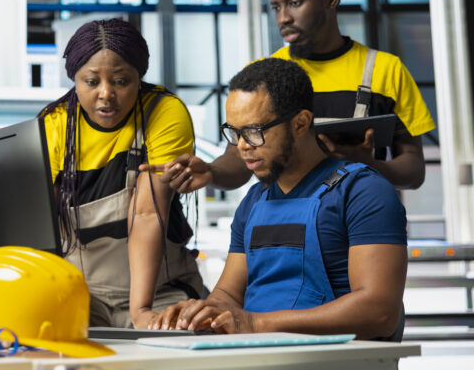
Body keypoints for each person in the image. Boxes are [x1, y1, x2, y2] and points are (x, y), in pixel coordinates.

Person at [148, 58, 408, 340]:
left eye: (254, 131)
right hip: (262, 355)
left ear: (300, 123)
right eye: (234, 133)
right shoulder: (254, 201)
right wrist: (198, 312)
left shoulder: (362, 192)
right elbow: (229, 294)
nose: (243, 146)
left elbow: (379, 313)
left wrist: (255, 324)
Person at [151, 0, 435, 192]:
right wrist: (212, 173)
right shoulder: (263, 76)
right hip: (287, 224)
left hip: (360, 221)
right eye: (276, 7)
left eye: (295, 3)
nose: (283, 18)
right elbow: (239, 159)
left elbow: (414, 170)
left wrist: (369, 164)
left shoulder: (386, 70)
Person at [39, 18, 204, 329]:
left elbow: (146, 215)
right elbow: (39, 227)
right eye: (91, 82)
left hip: (161, 293)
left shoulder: (163, 112)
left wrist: (140, 311)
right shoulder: (55, 124)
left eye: (121, 80)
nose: (106, 94)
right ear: (74, 78)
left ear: (138, 77)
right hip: (82, 296)